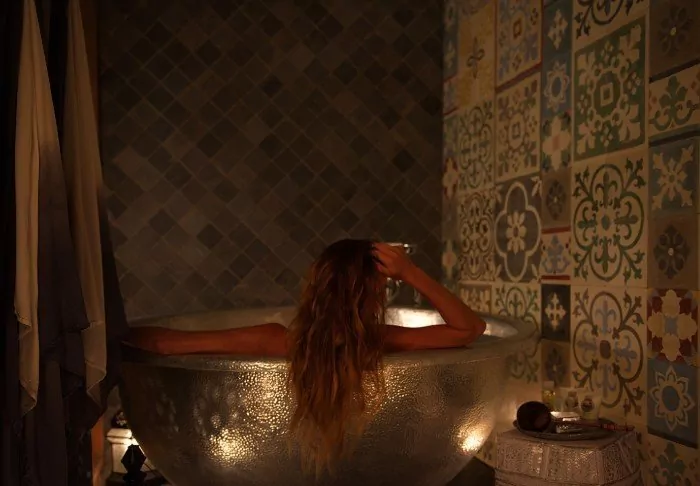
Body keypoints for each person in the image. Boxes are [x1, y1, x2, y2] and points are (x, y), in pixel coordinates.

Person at [127, 240, 486, 473]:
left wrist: (108, 336)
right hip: (371, 469)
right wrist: (410, 273)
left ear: (316, 288)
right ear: (373, 295)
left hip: (270, 470)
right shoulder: (377, 342)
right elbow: (468, 329)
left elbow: (163, 344)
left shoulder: (274, 340)